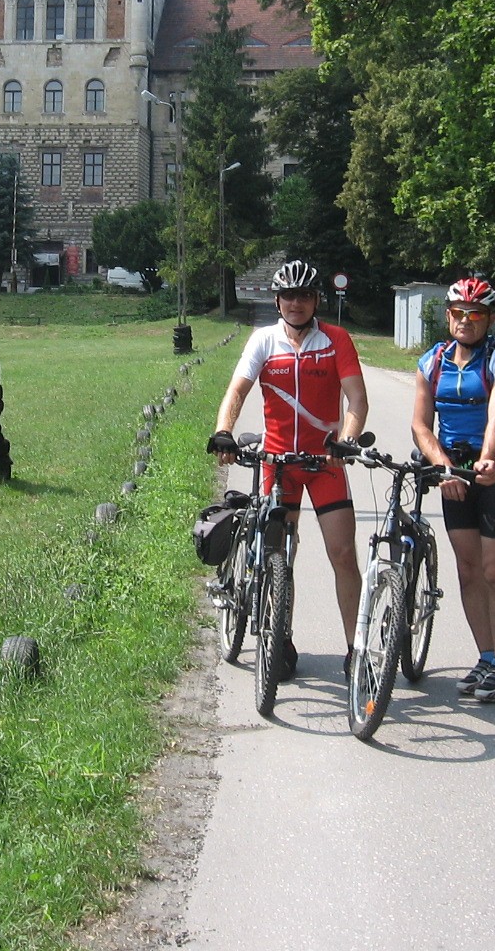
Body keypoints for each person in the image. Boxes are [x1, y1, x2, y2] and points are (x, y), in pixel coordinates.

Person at [208, 260, 369, 680]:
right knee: (277, 555)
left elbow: (357, 399)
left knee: (343, 554)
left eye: (304, 296)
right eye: (288, 296)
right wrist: (224, 430)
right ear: (278, 301)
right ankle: (279, 638)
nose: (296, 304)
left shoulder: (335, 340)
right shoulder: (264, 340)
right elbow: (237, 390)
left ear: (316, 300)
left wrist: (346, 440)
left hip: (324, 463)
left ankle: (356, 649)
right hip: (277, 464)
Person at [410, 277, 495, 703]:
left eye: (475, 314)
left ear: (490, 318)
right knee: (468, 569)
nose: (466, 320)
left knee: (494, 571)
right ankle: (485, 655)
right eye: (458, 313)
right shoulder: (432, 362)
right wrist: (444, 468)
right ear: (448, 316)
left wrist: (489, 459)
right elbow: (421, 425)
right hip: (453, 471)